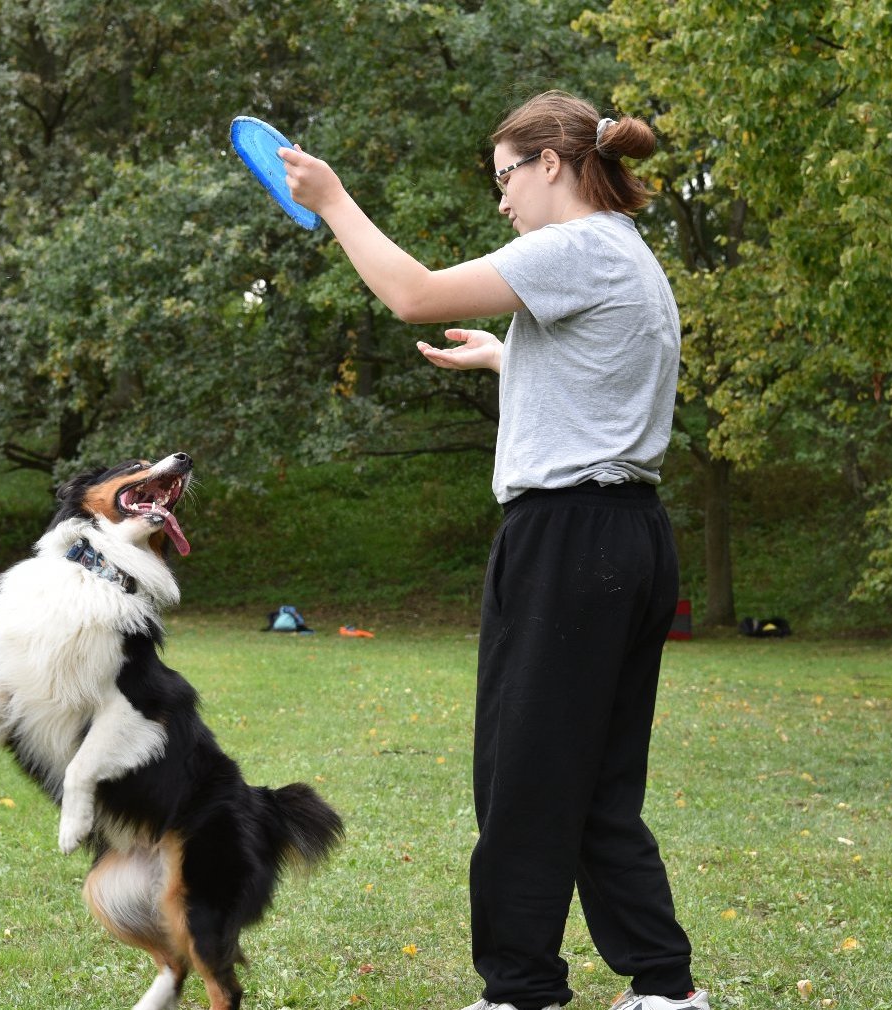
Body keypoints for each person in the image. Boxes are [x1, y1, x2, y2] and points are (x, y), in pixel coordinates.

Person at [281, 90, 706, 1010]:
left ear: (551, 164)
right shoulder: (628, 256)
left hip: (567, 541)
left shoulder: (573, 247)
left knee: (522, 774)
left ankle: (519, 991)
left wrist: (333, 201)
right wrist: (511, 361)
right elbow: (609, 391)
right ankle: (665, 989)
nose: (503, 200)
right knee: (594, 778)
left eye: (506, 176)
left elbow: (412, 295)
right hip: (628, 536)